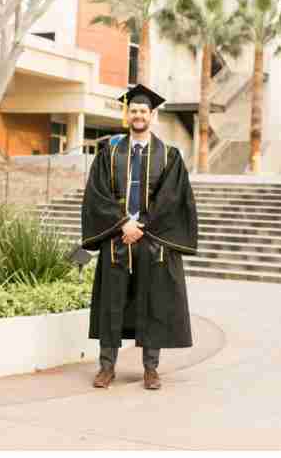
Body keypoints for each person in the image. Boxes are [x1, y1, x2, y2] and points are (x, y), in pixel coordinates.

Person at [81, 84, 198, 390]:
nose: (138, 115)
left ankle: (151, 369)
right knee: (112, 303)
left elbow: (172, 198)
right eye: (133, 110)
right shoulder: (108, 154)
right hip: (117, 237)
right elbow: (97, 195)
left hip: (151, 240)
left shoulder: (169, 156)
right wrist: (122, 224)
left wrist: (141, 224)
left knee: (153, 303)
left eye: (143, 111)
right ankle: (107, 368)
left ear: (152, 115)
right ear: (127, 114)